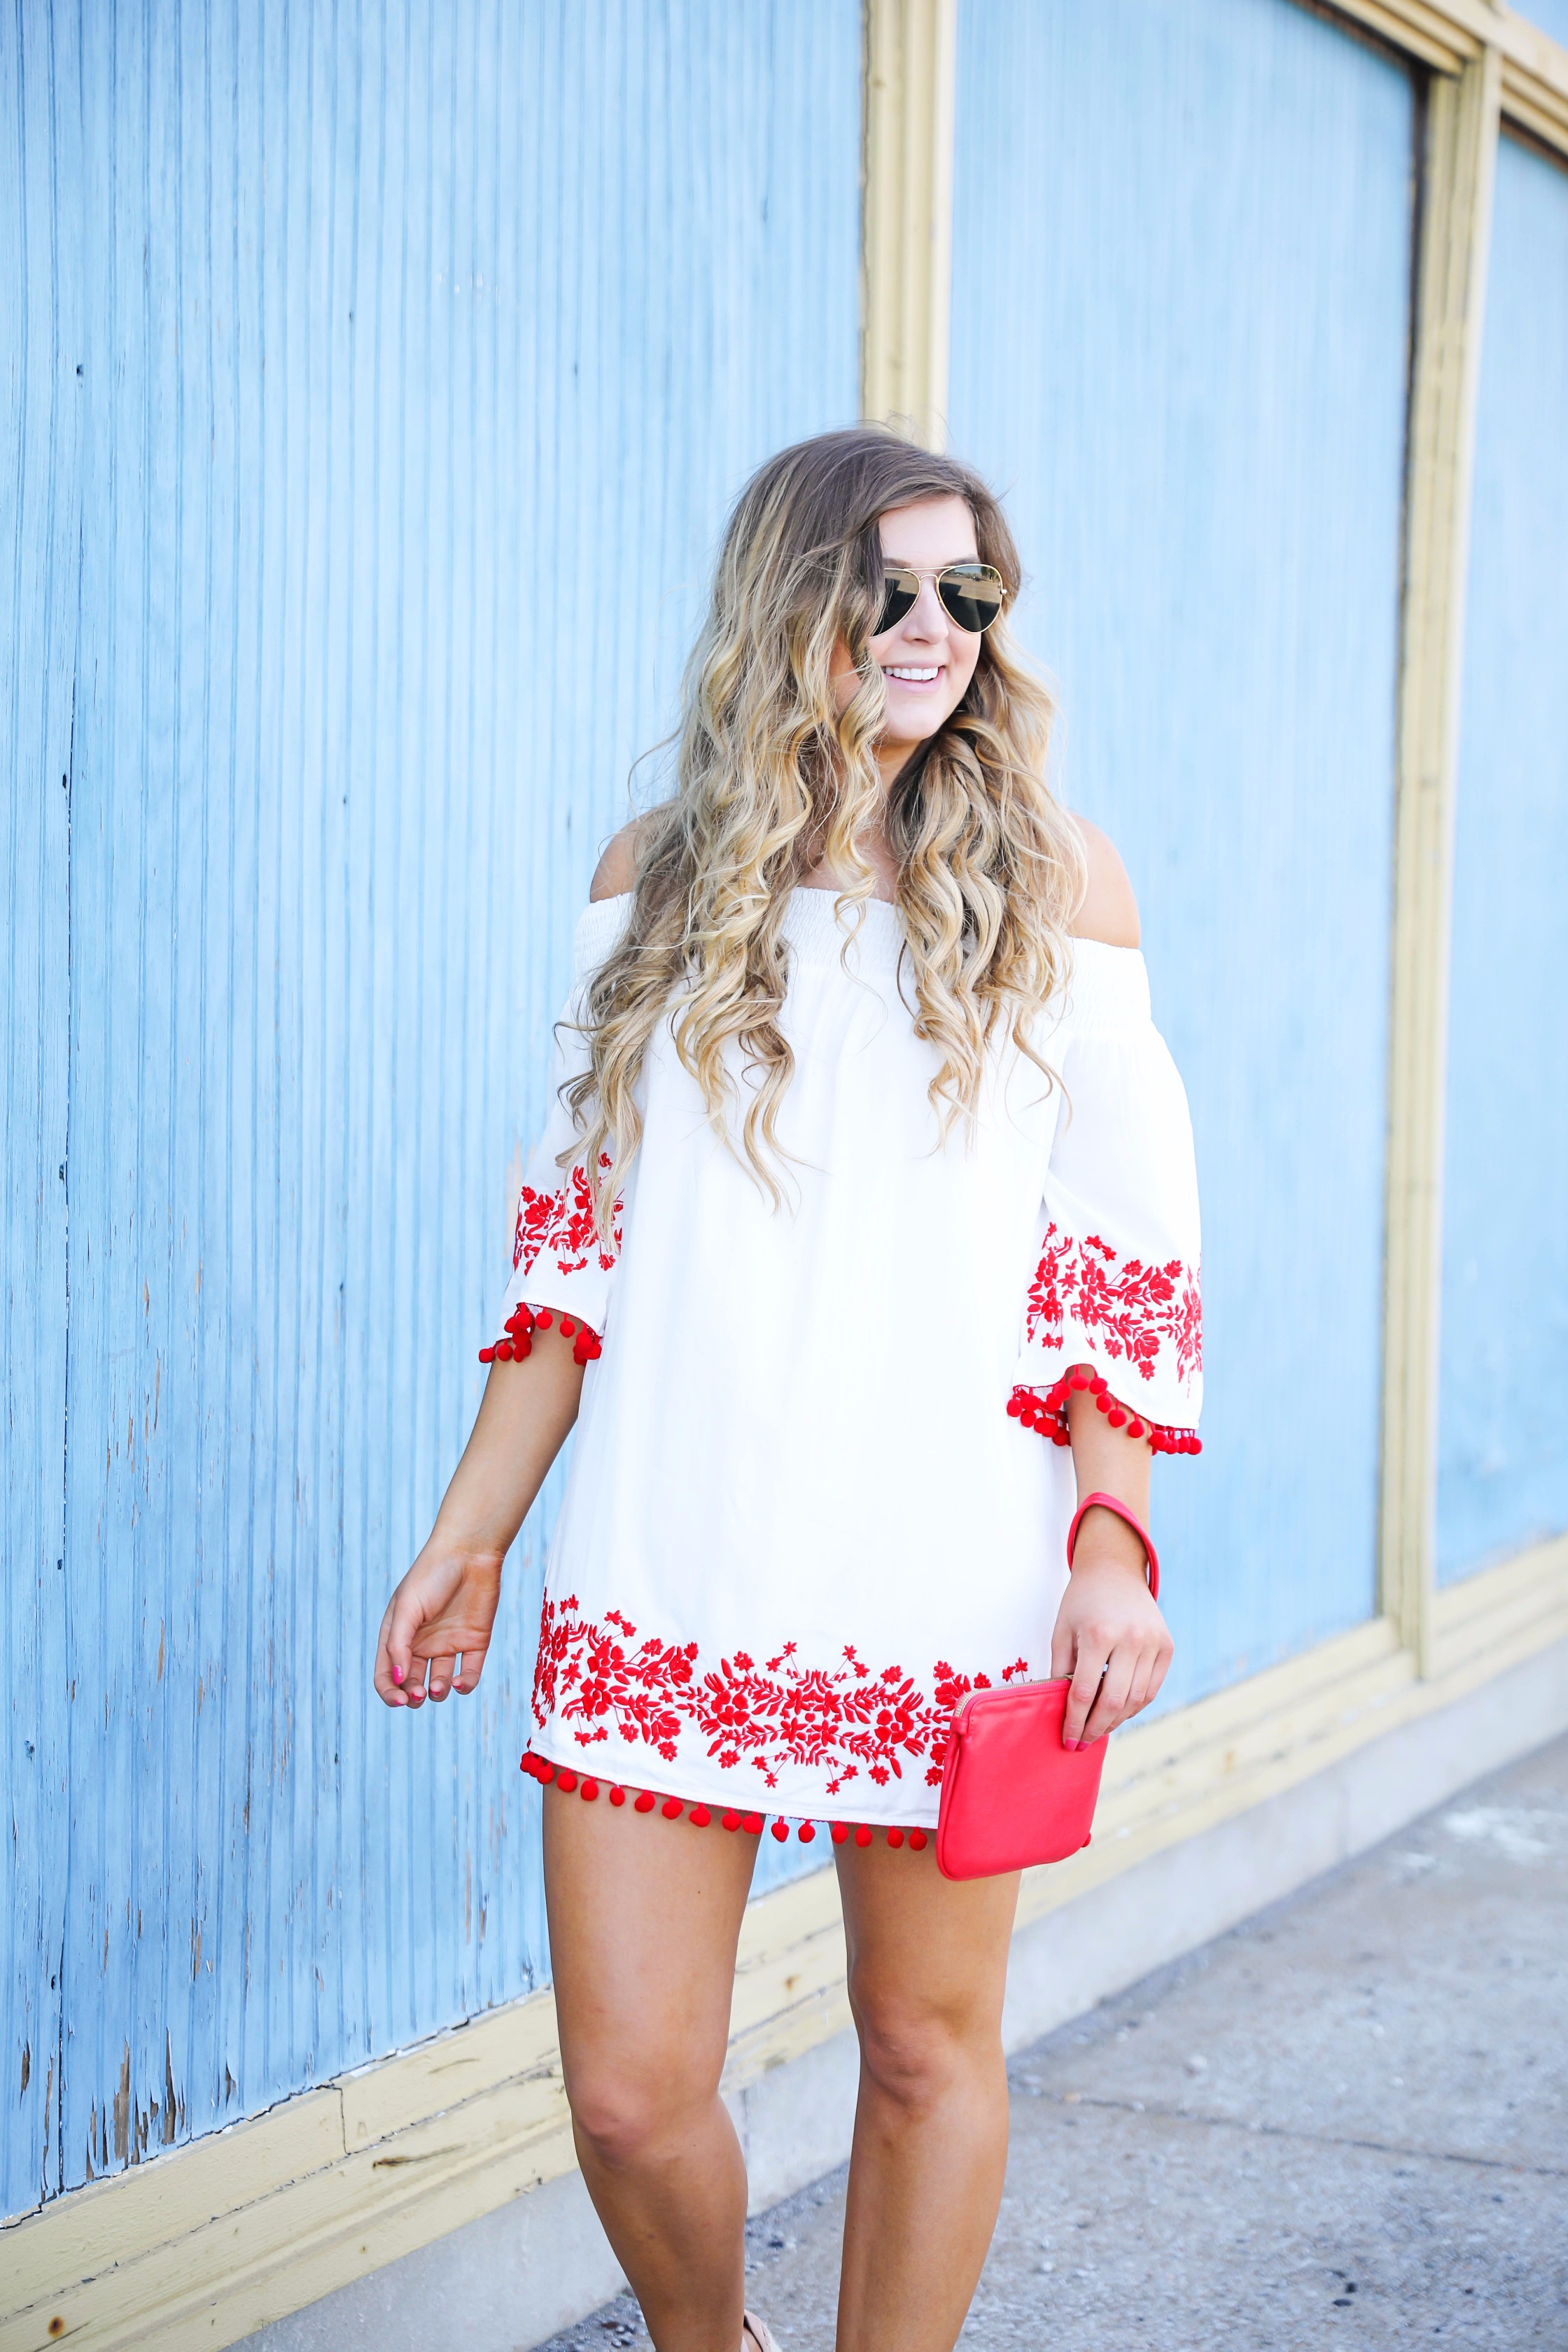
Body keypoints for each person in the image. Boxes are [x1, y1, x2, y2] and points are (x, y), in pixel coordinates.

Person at [373, 426, 1202, 2352]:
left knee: (924, 2055)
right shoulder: (650, 883)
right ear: (789, 600)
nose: (931, 631)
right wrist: (469, 1534)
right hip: (675, 1552)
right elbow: (574, 1261)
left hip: (954, 1573)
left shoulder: (1062, 894)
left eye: (967, 596)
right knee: (630, 2096)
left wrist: (1111, 1544)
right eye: (889, 587)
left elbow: (1117, 1268)